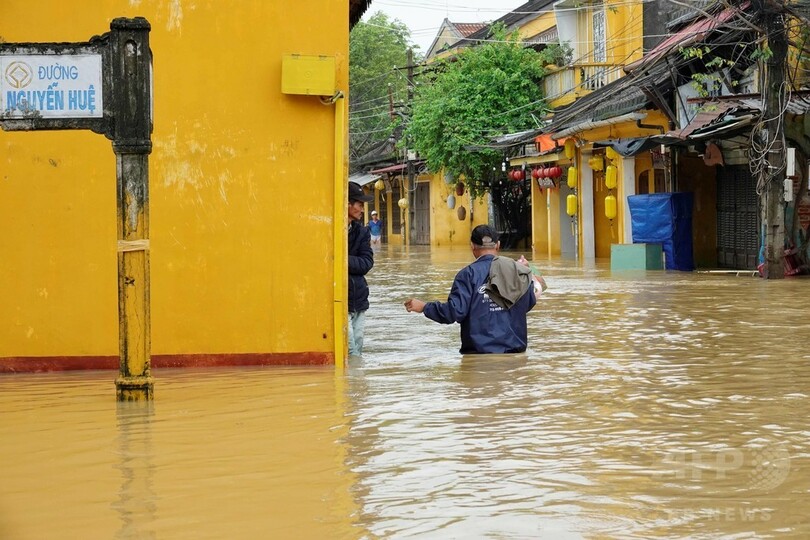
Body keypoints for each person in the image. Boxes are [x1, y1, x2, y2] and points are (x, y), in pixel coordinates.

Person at [403, 225, 536, 354]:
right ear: (498, 245)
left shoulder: (467, 275)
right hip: (515, 361)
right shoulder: (517, 272)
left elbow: (454, 312)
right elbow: (528, 302)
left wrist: (425, 307)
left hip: (478, 360)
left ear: (472, 246)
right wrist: (524, 271)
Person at [348, 181, 374, 356]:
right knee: (350, 350)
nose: (362, 210)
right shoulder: (329, 230)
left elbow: (366, 263)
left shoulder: (362, 232)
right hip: (340, 301)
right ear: (347, 204)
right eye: (360, 205)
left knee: (357, 350)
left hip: (358, 300)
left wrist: (342, 260)